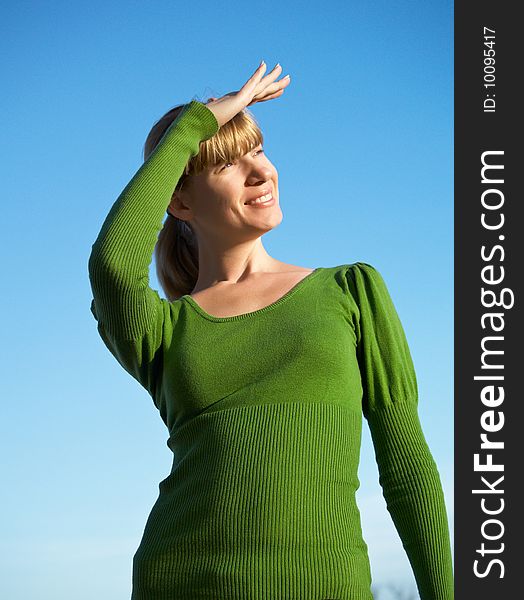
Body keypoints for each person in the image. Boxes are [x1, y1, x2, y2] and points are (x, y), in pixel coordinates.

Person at [88, 61, 454, 599]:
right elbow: (114, 264)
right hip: (182, 581)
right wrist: (194, 125)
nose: (259, 172)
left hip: (326, 585)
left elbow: (406, 463)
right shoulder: (163, 331)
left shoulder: (350, 291)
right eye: (228, 164)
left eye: (257, 151)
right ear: (181, 200)